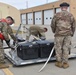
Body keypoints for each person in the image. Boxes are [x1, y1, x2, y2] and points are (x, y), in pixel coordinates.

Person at [51, 2, 75, 69]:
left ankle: (59, 62)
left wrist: (54, 31)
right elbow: (73, 25)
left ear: (61, 8)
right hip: (68, 34)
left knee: (58, 48)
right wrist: (72, 33)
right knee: (66, 48)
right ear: (67, 8)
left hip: (59, 34)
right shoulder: (71, 15)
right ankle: (65, 63)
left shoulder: (56, 15)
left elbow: (53, 24)